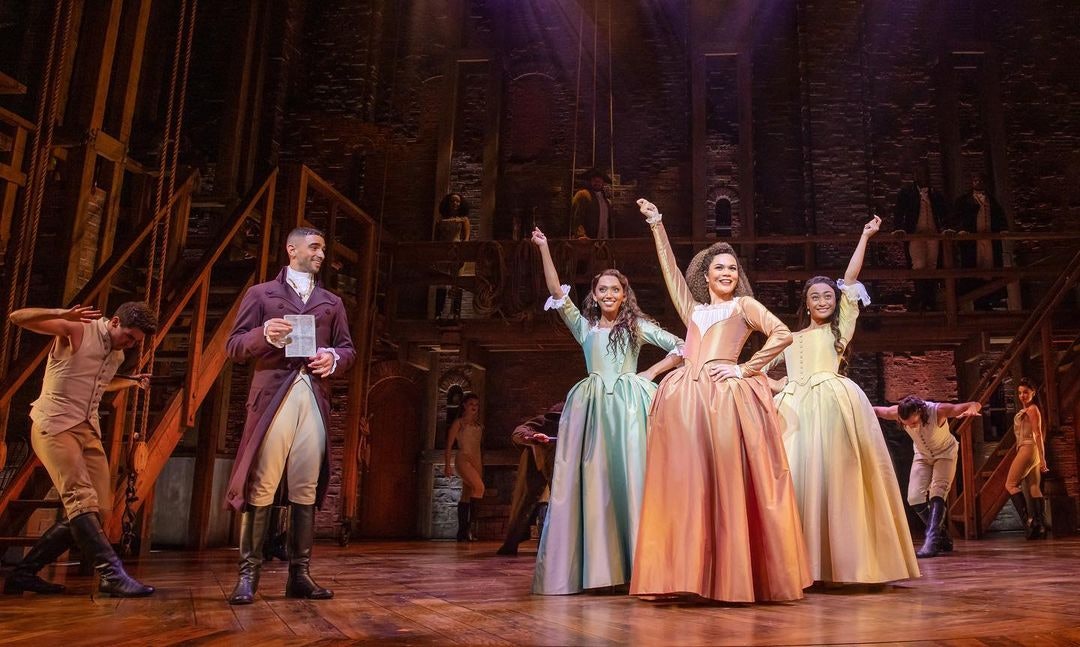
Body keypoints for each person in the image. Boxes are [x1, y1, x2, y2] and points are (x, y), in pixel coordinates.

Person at [630, 199, 811, 603]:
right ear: (706, 276)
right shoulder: (693, 309)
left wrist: (745, 369)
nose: (727, 273)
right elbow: (670, 272)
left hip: (724, 397)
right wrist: (657, 225)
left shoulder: (744, 305)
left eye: (732, 268)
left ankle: (731, 574)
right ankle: (689, 573)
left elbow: (782, 333)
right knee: (688, 484)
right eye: (720, 268)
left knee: (725, 479)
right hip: (685, 400)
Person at [531, 227, 683, 595]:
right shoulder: (585, 329)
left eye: (616, 289)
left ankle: (642, 568)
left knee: (633, 476)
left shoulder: (636, 327)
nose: (609, 294)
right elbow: (557, 292)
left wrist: (651, 372)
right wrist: (545, 247)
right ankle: (600, 567)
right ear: (595, 296)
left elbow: (681, 345)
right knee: (596, 480)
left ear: (624, 295)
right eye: (603, 289)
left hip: (630, 408)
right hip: (594, 409)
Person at [770, 215, 920, 585]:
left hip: (830, 405)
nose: (822, 300)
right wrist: (779, 383)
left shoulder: (840, 329)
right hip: (793, 410)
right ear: (806, 303)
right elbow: (757, 367)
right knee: (796, 479)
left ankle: (842, 562)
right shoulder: (788, 336)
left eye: (828, 296)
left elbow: (850, 280)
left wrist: (865, 237)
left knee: (835, 476)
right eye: (815, 297)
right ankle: (799, 564)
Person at [224, 226, 355, 605]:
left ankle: (300, 574)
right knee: (263, 481)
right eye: (314, 247)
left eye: (323, 248)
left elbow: (348, 350)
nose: (321, 254)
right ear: (291, 249)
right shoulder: (261, 294)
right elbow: (234, 346)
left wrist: (333, 358)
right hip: (273, 396)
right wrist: (263, 334)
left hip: (311, 394)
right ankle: (248, 575)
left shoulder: (331, 302)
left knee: (305, 485)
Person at [3, 301, 157, 597]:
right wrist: (61, 314)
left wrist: (131, 382)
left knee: (99, 510)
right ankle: (112, 575)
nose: (130, 345)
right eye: (129, 337)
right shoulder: (78, 329)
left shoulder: (117, 353)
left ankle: (23, 574)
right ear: (115, 322)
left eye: (135, 342)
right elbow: (16, 317)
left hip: (88, 430)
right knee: (81, 499)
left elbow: (99, 381)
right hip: (56, 424)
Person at [873, 396, 982, 558]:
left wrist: (972, 408)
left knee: (937, 492)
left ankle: (931, 542)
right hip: (922, 456)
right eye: (906, 424)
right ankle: (942, 536)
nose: (911, 426)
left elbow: (973, 404)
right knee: (914, 497)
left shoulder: (938, 411)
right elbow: (876, 410)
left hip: (945, 454)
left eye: (914, 423)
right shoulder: (897, 412)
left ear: (920, 412)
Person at [497, 402, 562, 556]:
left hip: (558, 471)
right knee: (530, 503)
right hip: (537, 469)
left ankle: (550, 547)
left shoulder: (573, 425)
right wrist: (534, 437)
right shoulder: (543, 423)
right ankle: (515, 544)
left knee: (554, 505)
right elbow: (519, 432)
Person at [893, 164, 947, 310]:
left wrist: (945, 227)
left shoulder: (935, 194)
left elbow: (943, 213)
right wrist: (898, 228)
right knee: (919, 264)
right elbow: (899, 212)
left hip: (933, 234)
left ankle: (931, 300)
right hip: (915, 234)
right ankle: (921, 299)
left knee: (932, 264)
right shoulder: (907, 193)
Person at [953, 172, 1009, 310]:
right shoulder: (964, 200)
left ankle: (988, 300)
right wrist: (961, 229)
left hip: (989, 239)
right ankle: (977, 300)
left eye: (980, 180)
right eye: (976, 180)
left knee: (989, 268)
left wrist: (1003, 229)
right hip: (973, 241)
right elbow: (956, 217)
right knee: (975, 269)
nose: (978, 183)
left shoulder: (991, 200)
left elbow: (999, 216)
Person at [1004, 378, 1049, 539]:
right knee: (1034, 487)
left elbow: (1038, 434)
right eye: (1019, 393)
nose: (1022, 396)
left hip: (1028, 448)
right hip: (1030, 449)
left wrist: (1043, 458)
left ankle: (1029, 522)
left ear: (1033, 393)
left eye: (1025, 392)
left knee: (1010, 484)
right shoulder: (1029, 409)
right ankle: (1040, 526)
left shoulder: (1032, 409)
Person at [443, 393, 485, 542]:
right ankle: (470, 528)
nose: (474, 407)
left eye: (476, 404)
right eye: (471, 404)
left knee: (467, 494)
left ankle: (462, 533)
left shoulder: (479, 425)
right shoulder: (459, 423)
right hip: (463, 458)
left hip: (476, 459)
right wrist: (447, 465)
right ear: (464, 405)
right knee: (479, 488)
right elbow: (449, 445)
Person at [571, 168, 614, 239]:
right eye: (594, 180)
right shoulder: (583, 195)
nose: (597, 183)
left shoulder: (605, 200)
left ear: (603, 182)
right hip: (588, 239)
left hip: (604, 238)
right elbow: (577, 217)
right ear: (590, 181)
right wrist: (581, 235)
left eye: (599, 180)